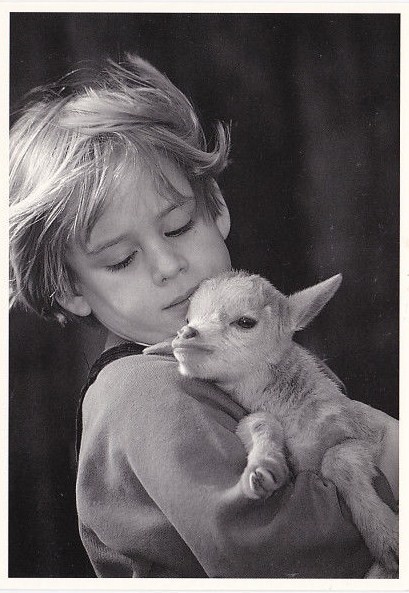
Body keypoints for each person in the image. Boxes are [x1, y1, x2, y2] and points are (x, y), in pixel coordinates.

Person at [9, 54, 398, 578]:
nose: (170, 266)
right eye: (121, 260)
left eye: (179, 227)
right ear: (72, 291)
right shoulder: (142, 391)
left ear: (216, 209)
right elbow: (259, 541)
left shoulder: (243, 354)